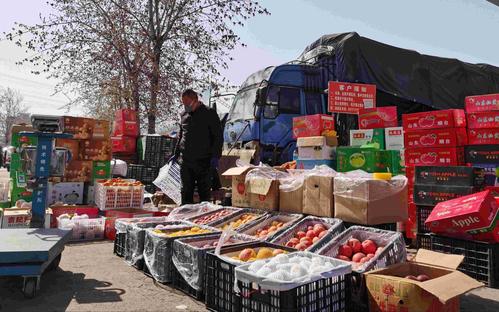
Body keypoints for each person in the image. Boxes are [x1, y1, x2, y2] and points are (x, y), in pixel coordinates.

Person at [172, 89, 223, 204]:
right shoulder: (184, 115)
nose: (185, 107)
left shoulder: (209, 113)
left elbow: (218, 137)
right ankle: (185, 217)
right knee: (185, 191)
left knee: (204, 193)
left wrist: (216, 156)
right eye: (183, 104)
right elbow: (181, 135)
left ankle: (204, 218)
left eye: (187, 103)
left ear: (195, 100)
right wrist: (176, 153)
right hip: (186, 161)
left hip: (204, 162)